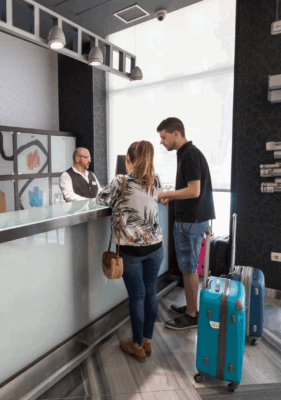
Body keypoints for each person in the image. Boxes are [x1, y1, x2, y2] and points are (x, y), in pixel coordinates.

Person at [96, 141, 164, 362]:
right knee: (150, 293)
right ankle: (147, 341)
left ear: (129, 159)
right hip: (156, 247)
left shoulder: (120, 181)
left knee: (137, 296)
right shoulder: (156, 180)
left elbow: (100, 200)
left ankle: (136, 346)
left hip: (131, 250)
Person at [157, 117, 215, 330]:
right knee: (187, 267)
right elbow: (190, 188)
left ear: (176, 133)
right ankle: (191, 307)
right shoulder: (186, 153)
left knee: (189, 268)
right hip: (191, 219)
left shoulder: (189, 154)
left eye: (164, 137)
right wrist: (172, 196)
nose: (162, 142)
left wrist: (166, 194)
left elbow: (194, 190)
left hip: (191, 220)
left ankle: (192, 315)